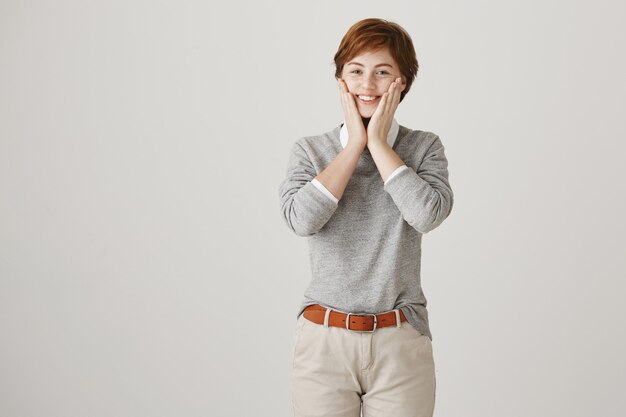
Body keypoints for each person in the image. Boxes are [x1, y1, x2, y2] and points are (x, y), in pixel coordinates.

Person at [278, 18, 454, 417]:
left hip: (400, 339)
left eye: (382, 72)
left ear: (402, 82)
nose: (368, 84)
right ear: (340, 79)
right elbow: (301, 220)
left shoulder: (424, 147)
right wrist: (355, 145)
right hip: (323, 341)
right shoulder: (310, 151)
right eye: (356, 71)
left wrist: (377, 143)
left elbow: (427, 214)